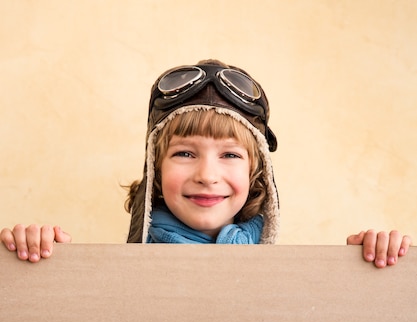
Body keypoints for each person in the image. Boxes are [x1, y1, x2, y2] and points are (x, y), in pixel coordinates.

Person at [1, 59, 412, 266]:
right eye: (184, 153)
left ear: (256, 178)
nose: (207, 175)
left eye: (230, 155)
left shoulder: (295, 281)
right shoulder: (107, 278)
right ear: (156, 175)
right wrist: (38, 257)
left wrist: (376, 262)